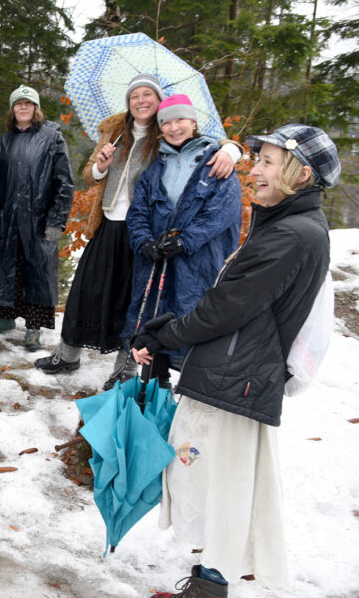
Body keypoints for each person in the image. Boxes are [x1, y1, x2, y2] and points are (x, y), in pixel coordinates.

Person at [131, 124, 338, 598]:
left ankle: (210, 596)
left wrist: (165, 333)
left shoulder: (293, 235)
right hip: (236, 372)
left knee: (216, 484)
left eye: (268, 162)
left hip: (236, 377)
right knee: (215, 480)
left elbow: (228, 306)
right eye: (257, 160)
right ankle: (208, 586)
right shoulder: (288, 226)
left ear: (300, 174)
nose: (255, 171)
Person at [34, 74, 241, 388]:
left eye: (148, 95)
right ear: (128, 102)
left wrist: (231, 152)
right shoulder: (113, 132)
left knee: (134, 301)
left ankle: (126, 368)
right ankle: (67, 355)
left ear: (159, 103)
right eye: (135, 96)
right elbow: (89, 176)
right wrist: (101, 165)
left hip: (147, 232)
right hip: (109, 224)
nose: (141, 101)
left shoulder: (166, 133)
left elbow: (215, 144)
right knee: (85, 292)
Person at [120, 94, 242, 386]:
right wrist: (144, 242)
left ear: (193, 121)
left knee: (192, 317)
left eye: (180, 120)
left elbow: (222, 212)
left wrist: (185, 240)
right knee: (154, 318)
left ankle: (192, 390)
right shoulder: (156, 166)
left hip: (197, 261)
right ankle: (154, 384)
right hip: (157, 262)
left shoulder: (216, 161)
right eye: (166, 123)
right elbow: (138, 212)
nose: (174, 128)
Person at [0, 85, 74, 352]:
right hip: (6, 220)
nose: (23, 107)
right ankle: (6, 318)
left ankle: (33, 327)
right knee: (6, 269)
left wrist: (56, 219)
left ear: (35, 108)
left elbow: (64, 181)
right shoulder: (3, 142)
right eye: (18, 103)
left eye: (28, 103)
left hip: (38, 221)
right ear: (12, 109)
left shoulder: (52, 138)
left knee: (36, 272)